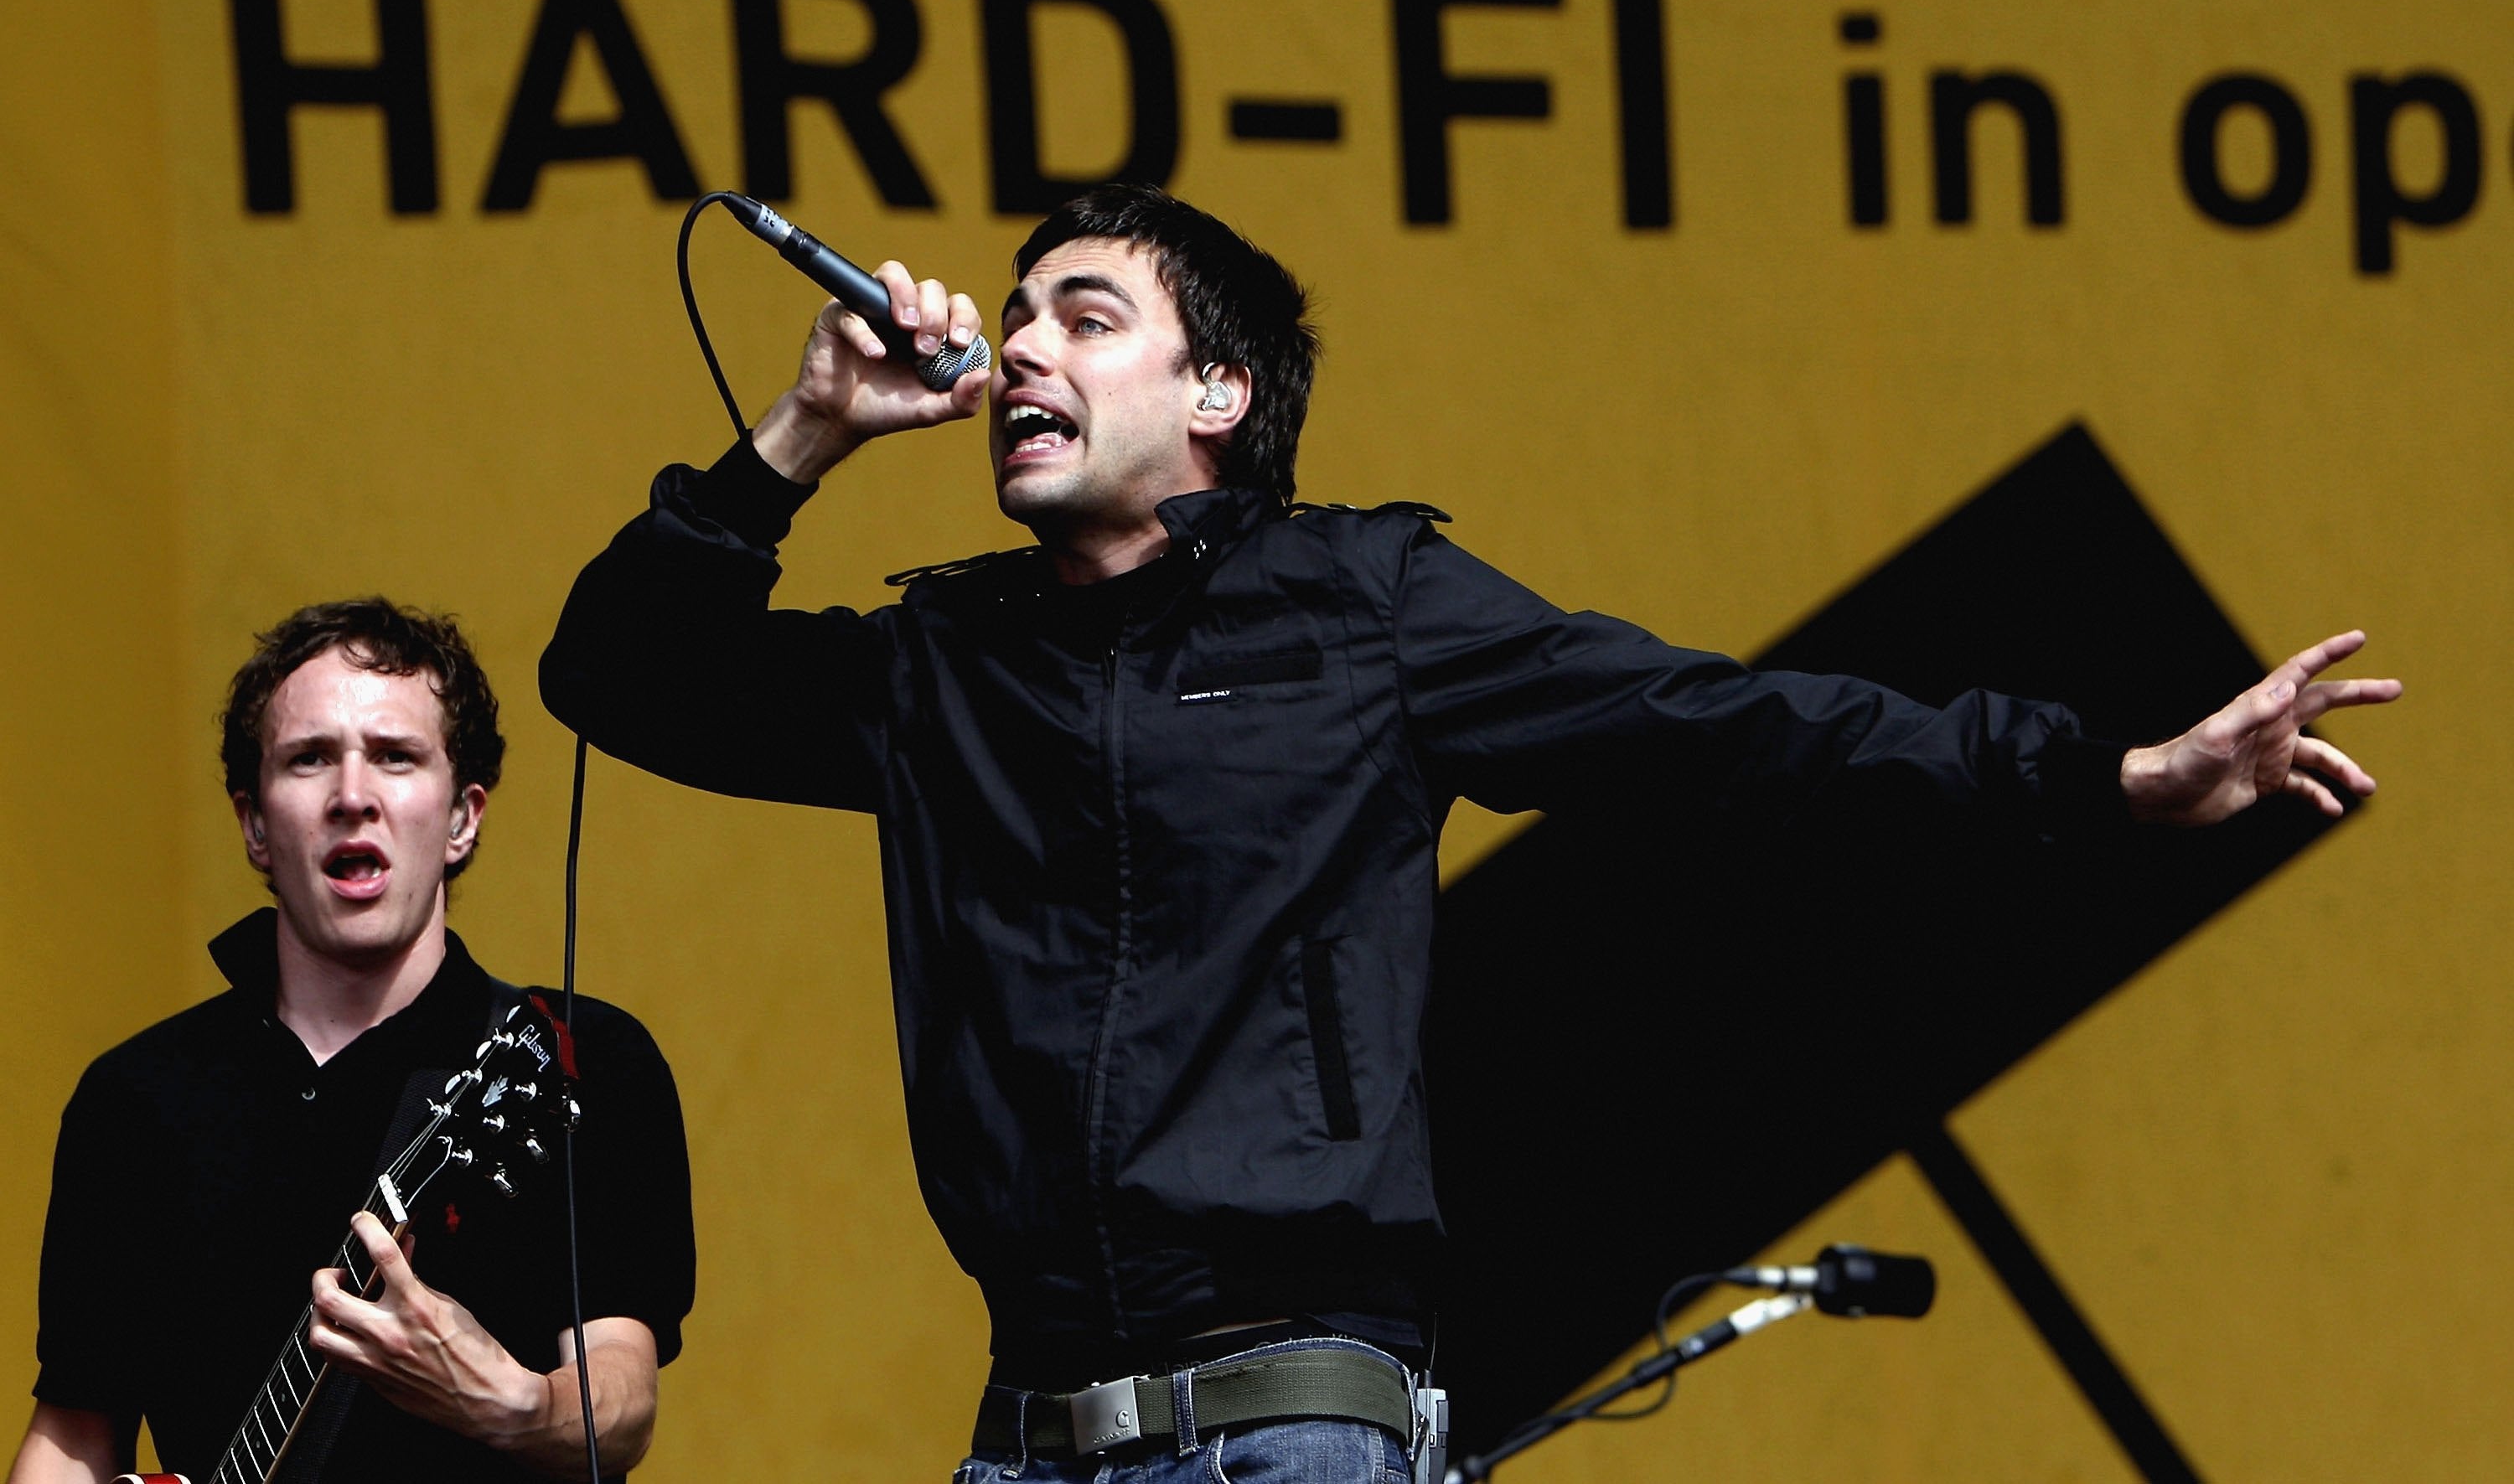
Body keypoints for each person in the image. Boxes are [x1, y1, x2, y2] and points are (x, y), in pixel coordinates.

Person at [538, 184, 2398, 1483]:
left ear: (1218, 396)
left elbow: (1723, 727)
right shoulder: (943, 667)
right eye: (1014, 317)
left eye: (1082, 315)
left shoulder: (1364, 604)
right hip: (1032, 1430)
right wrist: (799, 430)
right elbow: (613, 675)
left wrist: (2104, 774)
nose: (1019, 345)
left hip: (1300, 1427)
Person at [11, 600, 696, 1484]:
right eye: (309, 760)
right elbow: (72, 1435)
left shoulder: (576, 1056)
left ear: (462, 818)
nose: (352, 796)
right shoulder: (138, 1097)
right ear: (255, 825)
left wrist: (511, 1400)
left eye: (395, 756)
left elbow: (623, 1394)